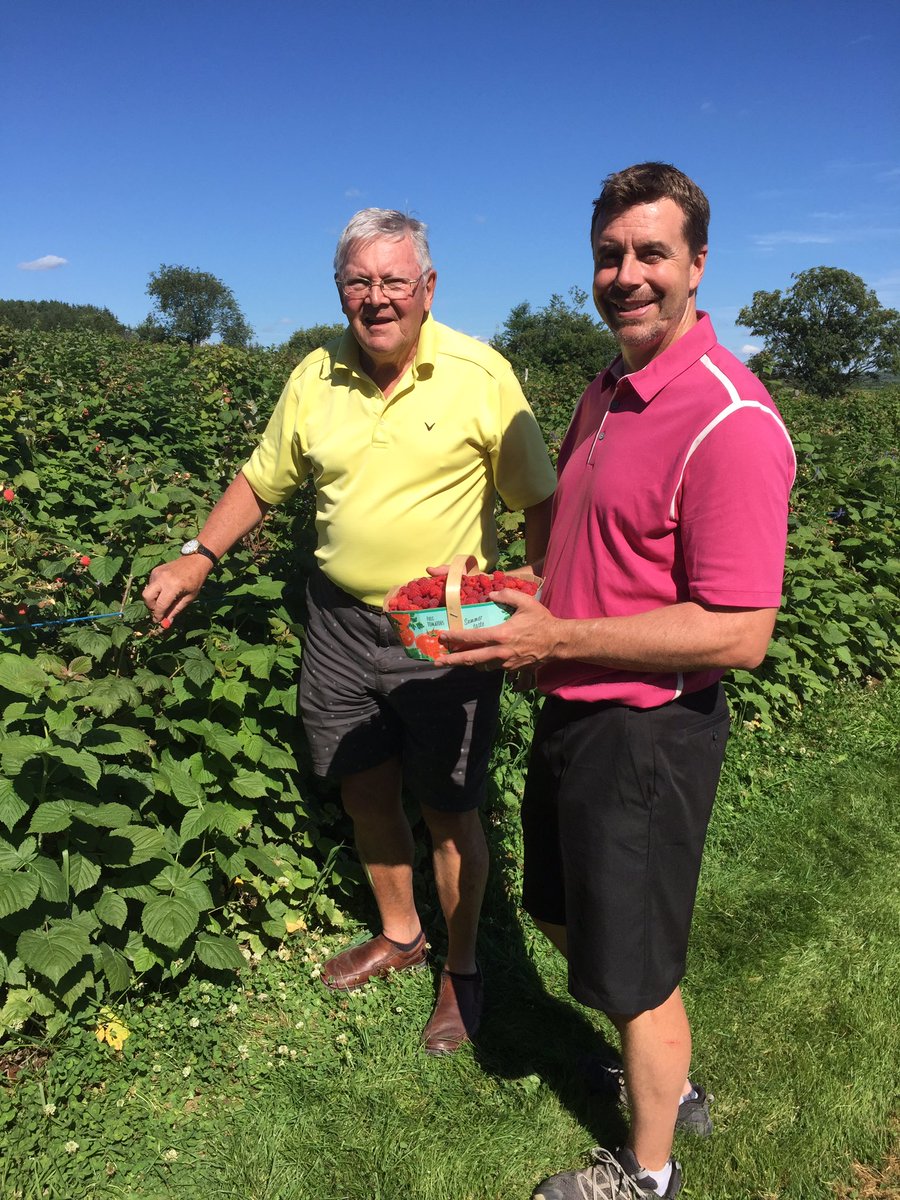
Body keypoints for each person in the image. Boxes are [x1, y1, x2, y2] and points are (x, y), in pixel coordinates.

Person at [437, 164, 796, 1197]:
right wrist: (506, 605)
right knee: (562, 914)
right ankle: (662, 1077)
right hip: (572, 703)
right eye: (609, 254)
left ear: (697, 265)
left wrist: (560, 639)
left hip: (646, 732)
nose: (626, 275)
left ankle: (645, 1172)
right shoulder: (606, 388)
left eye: (650, 254)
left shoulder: (730, 421)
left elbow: (739, 632)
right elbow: (597, 553)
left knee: (636, 973)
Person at [142, 208, 556, 1056]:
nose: (376, 299)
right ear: (340, 291)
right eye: (359, 283)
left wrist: (536, 608)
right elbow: (262, 481)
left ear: (427, 288)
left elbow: (539, 502)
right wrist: (197, 555)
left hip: (444, 628)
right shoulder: (314, 375)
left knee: (450, 810)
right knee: (362, 785)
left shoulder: (481, 375)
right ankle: (402, 934)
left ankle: (464, 967)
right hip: (335, 620)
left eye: (393, 281)